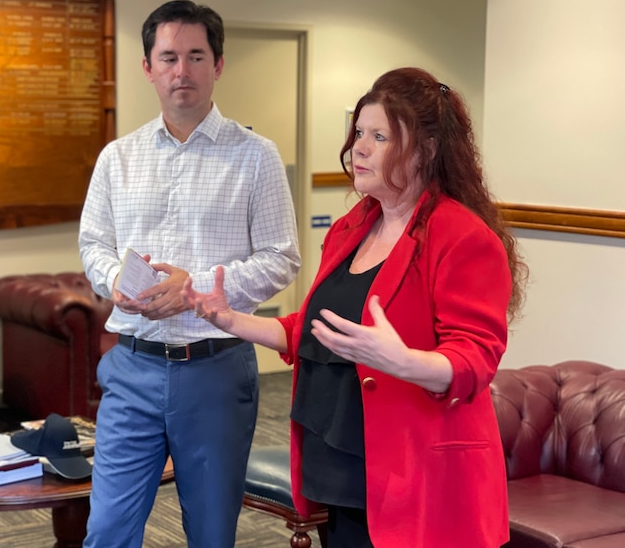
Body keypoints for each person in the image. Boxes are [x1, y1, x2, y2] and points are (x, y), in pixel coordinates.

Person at [183, 67, 528, 548]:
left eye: (380, 136)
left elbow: (475, 360)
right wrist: (228, 319)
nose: (360, 148)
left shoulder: (463, 236)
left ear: (427, 150)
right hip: (338, 457)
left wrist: (403, 361)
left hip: (415, 470)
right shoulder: (354, 225)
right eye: (360, 133)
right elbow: (313, 330)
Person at [78, 0, 301, 548]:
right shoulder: (117, 158)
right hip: (132, 369)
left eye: (196, 56)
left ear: (218, 65)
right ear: (148, 67)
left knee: (210, 534)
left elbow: (282, 258)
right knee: (107, 531)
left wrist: (193, 290)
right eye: (169, 57)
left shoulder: (256, 156)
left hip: (216, 371)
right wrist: (116, 285)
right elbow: (92, 245)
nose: (183, 71)